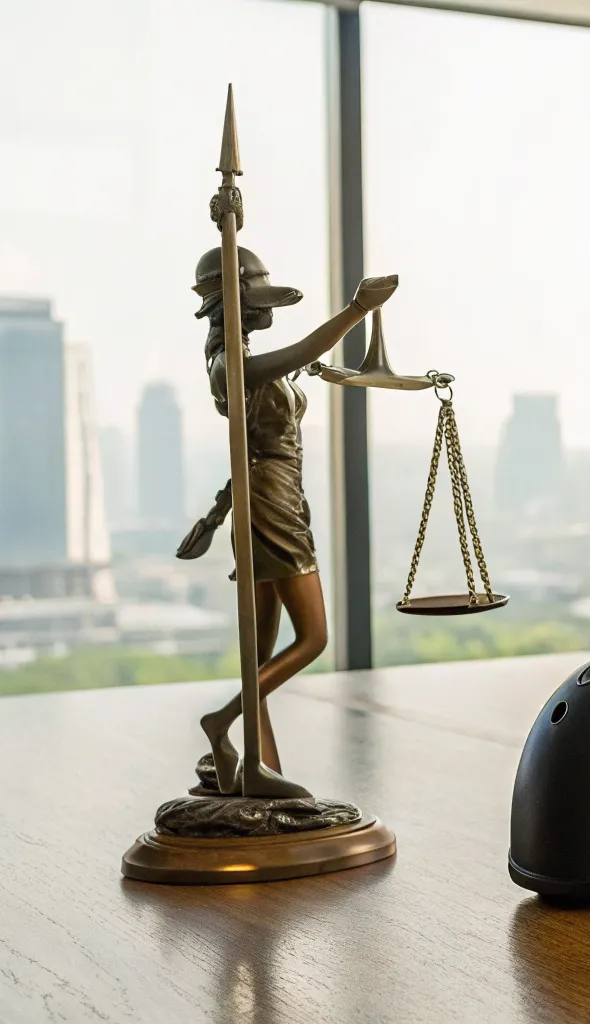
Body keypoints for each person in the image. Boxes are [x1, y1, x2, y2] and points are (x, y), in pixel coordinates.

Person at [191, 247, 399, 798]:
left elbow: (267, 414)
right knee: (314, 638)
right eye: (255, 303)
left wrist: (217, 513)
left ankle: (259, 772)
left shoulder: (244, 359)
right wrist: (356, 309)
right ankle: (221, 721)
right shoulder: (230, 363)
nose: (267, 312)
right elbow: (303, 350)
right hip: (273, 503)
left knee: (260, 654)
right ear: (229, 307)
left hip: (268, 497)